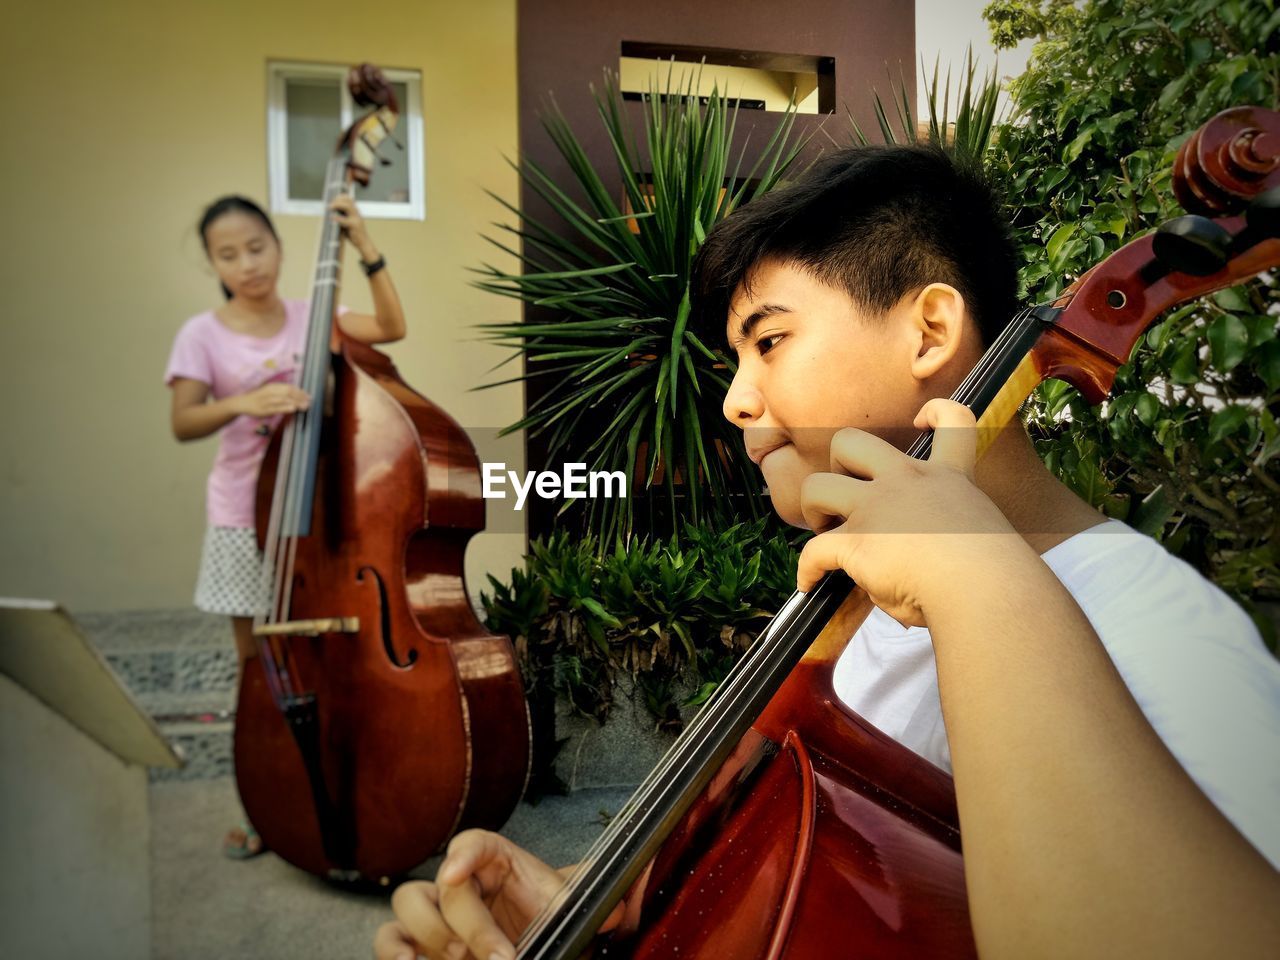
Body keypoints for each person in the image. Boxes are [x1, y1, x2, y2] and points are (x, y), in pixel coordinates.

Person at [373, 145, 1280, 959]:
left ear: (929, 331)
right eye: (737, 358)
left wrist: (981, 579)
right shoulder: (846, 611)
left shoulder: (1163, 630)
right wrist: (591, 901)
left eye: (769, 341)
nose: (735, 399)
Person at [165, 193, 406, 858]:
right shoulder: (202, 334)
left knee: (328, 661)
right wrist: (243, 400)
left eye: (257, 246)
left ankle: (335, 788)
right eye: (229, 254)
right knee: (260, 671)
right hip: (243, 518)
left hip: (316, 522)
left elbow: (392, 326)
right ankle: (263, 805)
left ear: (276, 245)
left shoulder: (312, 317)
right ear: (214, 262)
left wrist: (364, 245)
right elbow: (183, 421)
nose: (247, 264)